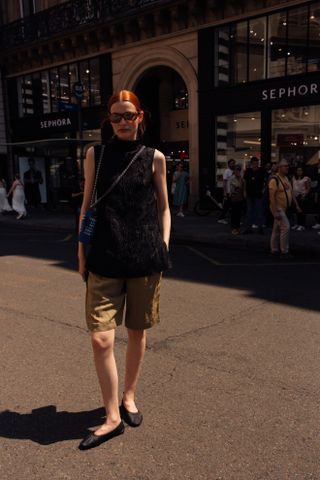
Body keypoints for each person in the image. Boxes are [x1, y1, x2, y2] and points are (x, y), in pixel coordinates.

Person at [77, 90, 171, 450]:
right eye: (116, 116)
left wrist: (163, 244)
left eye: (128, 115)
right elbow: (87, 204)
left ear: (140, 116)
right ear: (109, 120)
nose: (122, 122)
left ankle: (128, 397)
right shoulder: (95, 155)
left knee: (136, 333)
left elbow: (164, 208)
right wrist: (80, 250)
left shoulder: (155, 158)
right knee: (101, 338)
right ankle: (111, 417)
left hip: (145, 259)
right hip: (103, 258)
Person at [268, 159, 301, 258]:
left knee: (276, 229)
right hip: (278, 208)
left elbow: (291, 193)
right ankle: (284, 251)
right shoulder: (274, 180)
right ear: (279, 168)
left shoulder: (286, 178)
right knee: (286, 227)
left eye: (287, 166)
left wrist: (297, 205)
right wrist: (275, 212)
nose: (287, 167)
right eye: (285, 166)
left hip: (284, 208)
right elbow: (272, 197)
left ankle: (274, 249)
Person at [243, 156, 267, 234]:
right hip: (249, 194)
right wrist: (244, 191)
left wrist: (263, 190)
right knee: (249, 211)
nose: (255, 165)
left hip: (258, 194)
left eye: (257, 163)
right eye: (254, 163)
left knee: (259, 211)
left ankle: (260, 228)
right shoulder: (248, 171)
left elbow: (266, 181)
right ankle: (248, 228)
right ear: (251, 163)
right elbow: (245, 182)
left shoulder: (262, 171)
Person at [291, 166, 311, 231]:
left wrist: (304, 195)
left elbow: (308, 188)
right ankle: (297, 224)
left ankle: (302, 225)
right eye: (298, 170)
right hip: (295, 196)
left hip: (302, 196)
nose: (299, 172)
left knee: (302, 211)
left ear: (303, 171)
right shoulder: (293, 178)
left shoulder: (305, 178)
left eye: (300, 170)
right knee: (296, 211)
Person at [217, 158, 235, 224]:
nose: (233, 165)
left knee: (232, 206)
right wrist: (224, 192)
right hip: (228, 192)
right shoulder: (227, 171)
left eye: (233, 163)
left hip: (233, 192)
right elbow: (224, 182)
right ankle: (221, 218)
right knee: (227, 206)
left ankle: (234, 219)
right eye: (231, 163)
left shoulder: (234, 171)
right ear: (229, 164)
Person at [229, 164, 244, 235]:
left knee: (239, 214)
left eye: (239, 170)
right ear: (234, 171)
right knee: (234, 214)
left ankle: (237, 228)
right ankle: (234, 228)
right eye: (237, 170)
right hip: (234, 198)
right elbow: (237, 187)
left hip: (240, 198)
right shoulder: (232, 178)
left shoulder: (241, 178)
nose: (238, 171)